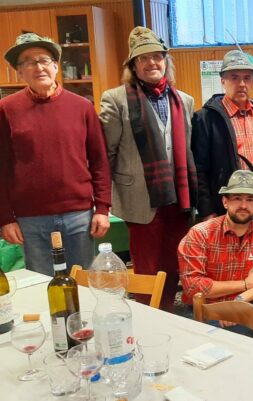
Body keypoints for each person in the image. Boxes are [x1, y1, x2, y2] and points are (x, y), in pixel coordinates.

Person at [99, 27, 196, 311]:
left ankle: (168, 312)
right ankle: (147, 315)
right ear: (133, 65)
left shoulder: (184, 100)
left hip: (178, 198)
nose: (151, 62)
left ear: (166, 61)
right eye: (143, 58)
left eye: (157, 56)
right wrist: (103, 201)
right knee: (146, 267)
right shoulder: (116, 99)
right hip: (140, 198)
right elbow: (106, 153)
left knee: (173, 263)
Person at [0, 33, 111, 276]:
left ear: (56, 66)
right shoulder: (6, 110)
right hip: (31, 220)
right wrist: (5, 218)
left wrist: (102, 209)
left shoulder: (82, 107)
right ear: (19, 71)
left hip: (78, 216)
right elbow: (2, 168)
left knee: (82, 282)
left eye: (44, 60)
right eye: (29, 62)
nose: (38, 66)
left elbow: (100, 161)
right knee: (41, 286)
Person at [178, 170, 253, 328]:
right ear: (225, 202)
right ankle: (248, 343)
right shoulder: (200, 234)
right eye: (237, 198)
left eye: (250, 199)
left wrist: (240, 300)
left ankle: (250, 342)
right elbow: (193, 286)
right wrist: (244, 284)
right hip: (207, 313)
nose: (243, 205)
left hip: (248, 309)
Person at [192, 49, 253, 221]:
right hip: (228, 203)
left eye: (247, 78)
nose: (241, 84)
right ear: (223, 81)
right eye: (234, 77)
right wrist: (206, 210)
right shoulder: (206, 118)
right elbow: (199, 169)